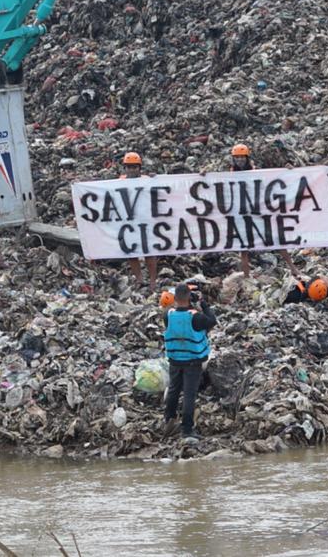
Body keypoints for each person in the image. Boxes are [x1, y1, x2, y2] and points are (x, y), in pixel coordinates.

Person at [230, 143, 296, 276]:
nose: (239, 160)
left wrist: (287, 170)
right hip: (241, 215)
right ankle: (247, 277)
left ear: (247, 158)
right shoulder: (229, 173)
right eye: (237, 157)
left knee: (276, 240)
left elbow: (271, 181)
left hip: (258, 213)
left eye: (242, 157)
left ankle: (293, 269)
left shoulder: (257, 172)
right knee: (244, 248)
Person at [163, 283, 216, 440]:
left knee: (173, 389)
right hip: (193, 360)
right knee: (189, 394)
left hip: (174, 359)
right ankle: (187, 429)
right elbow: (211, 320)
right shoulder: (196, 317)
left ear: (175, 298)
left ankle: (169, 420)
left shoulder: (168, 314)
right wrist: (203, 304)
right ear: (189, 297)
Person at [119, 152, 157, 287]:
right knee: (131, 252)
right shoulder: (119, 182)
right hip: (129, 222)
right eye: (129, 167)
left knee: (149, 252)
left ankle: (153, 281)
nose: (132, 170)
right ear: (125, 168)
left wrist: (155, 179)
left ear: (139, 168)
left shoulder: (147, 179)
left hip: (146, 220)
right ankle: (139, 279)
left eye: (134, 167)